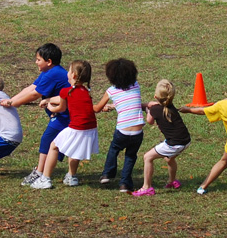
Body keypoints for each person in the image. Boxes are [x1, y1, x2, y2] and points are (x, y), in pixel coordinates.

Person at [4, 43, 69, 185]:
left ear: (49, 61)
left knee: (48, 141)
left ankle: (40, 173)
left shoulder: (54, 74)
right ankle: (66, 174)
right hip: (61, 115)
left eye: (38, 59)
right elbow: (31, 87)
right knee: (58, 143)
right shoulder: (48, 72)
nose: (36, 62)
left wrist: (13, 104)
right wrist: (11, 100)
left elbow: (34, 94)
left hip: (65, 116)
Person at [30, 59, 98, 190]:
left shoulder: (66, 91)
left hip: (77, 127)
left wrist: (50, 106)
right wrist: (47, 100)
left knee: (54, 146)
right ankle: (71, 177)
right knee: (75, 151)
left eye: (69, 70)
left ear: (73, 75)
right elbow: (65, 98)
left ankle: (45, 178)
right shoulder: (85, 91)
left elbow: (60, 108)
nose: (67, 73)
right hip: (90, 128)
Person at [133, 79, 191, 197]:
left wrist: (148, 109)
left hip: (174, 144)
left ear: (155, 96)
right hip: (185, 140)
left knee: (147, 157)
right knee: (169, 159)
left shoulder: (155, 109)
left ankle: (146, 187)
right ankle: (172, 182)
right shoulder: (170, 105)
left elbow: (149, 121)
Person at [95, 58, 146, 192]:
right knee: (130, 156)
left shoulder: (111, 91)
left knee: (114, 149)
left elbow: (97, 108)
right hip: (137, 131)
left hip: (122, 130)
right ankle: (125, 183)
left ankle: (107, 173)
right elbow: (130, 102)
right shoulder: (136, 85)